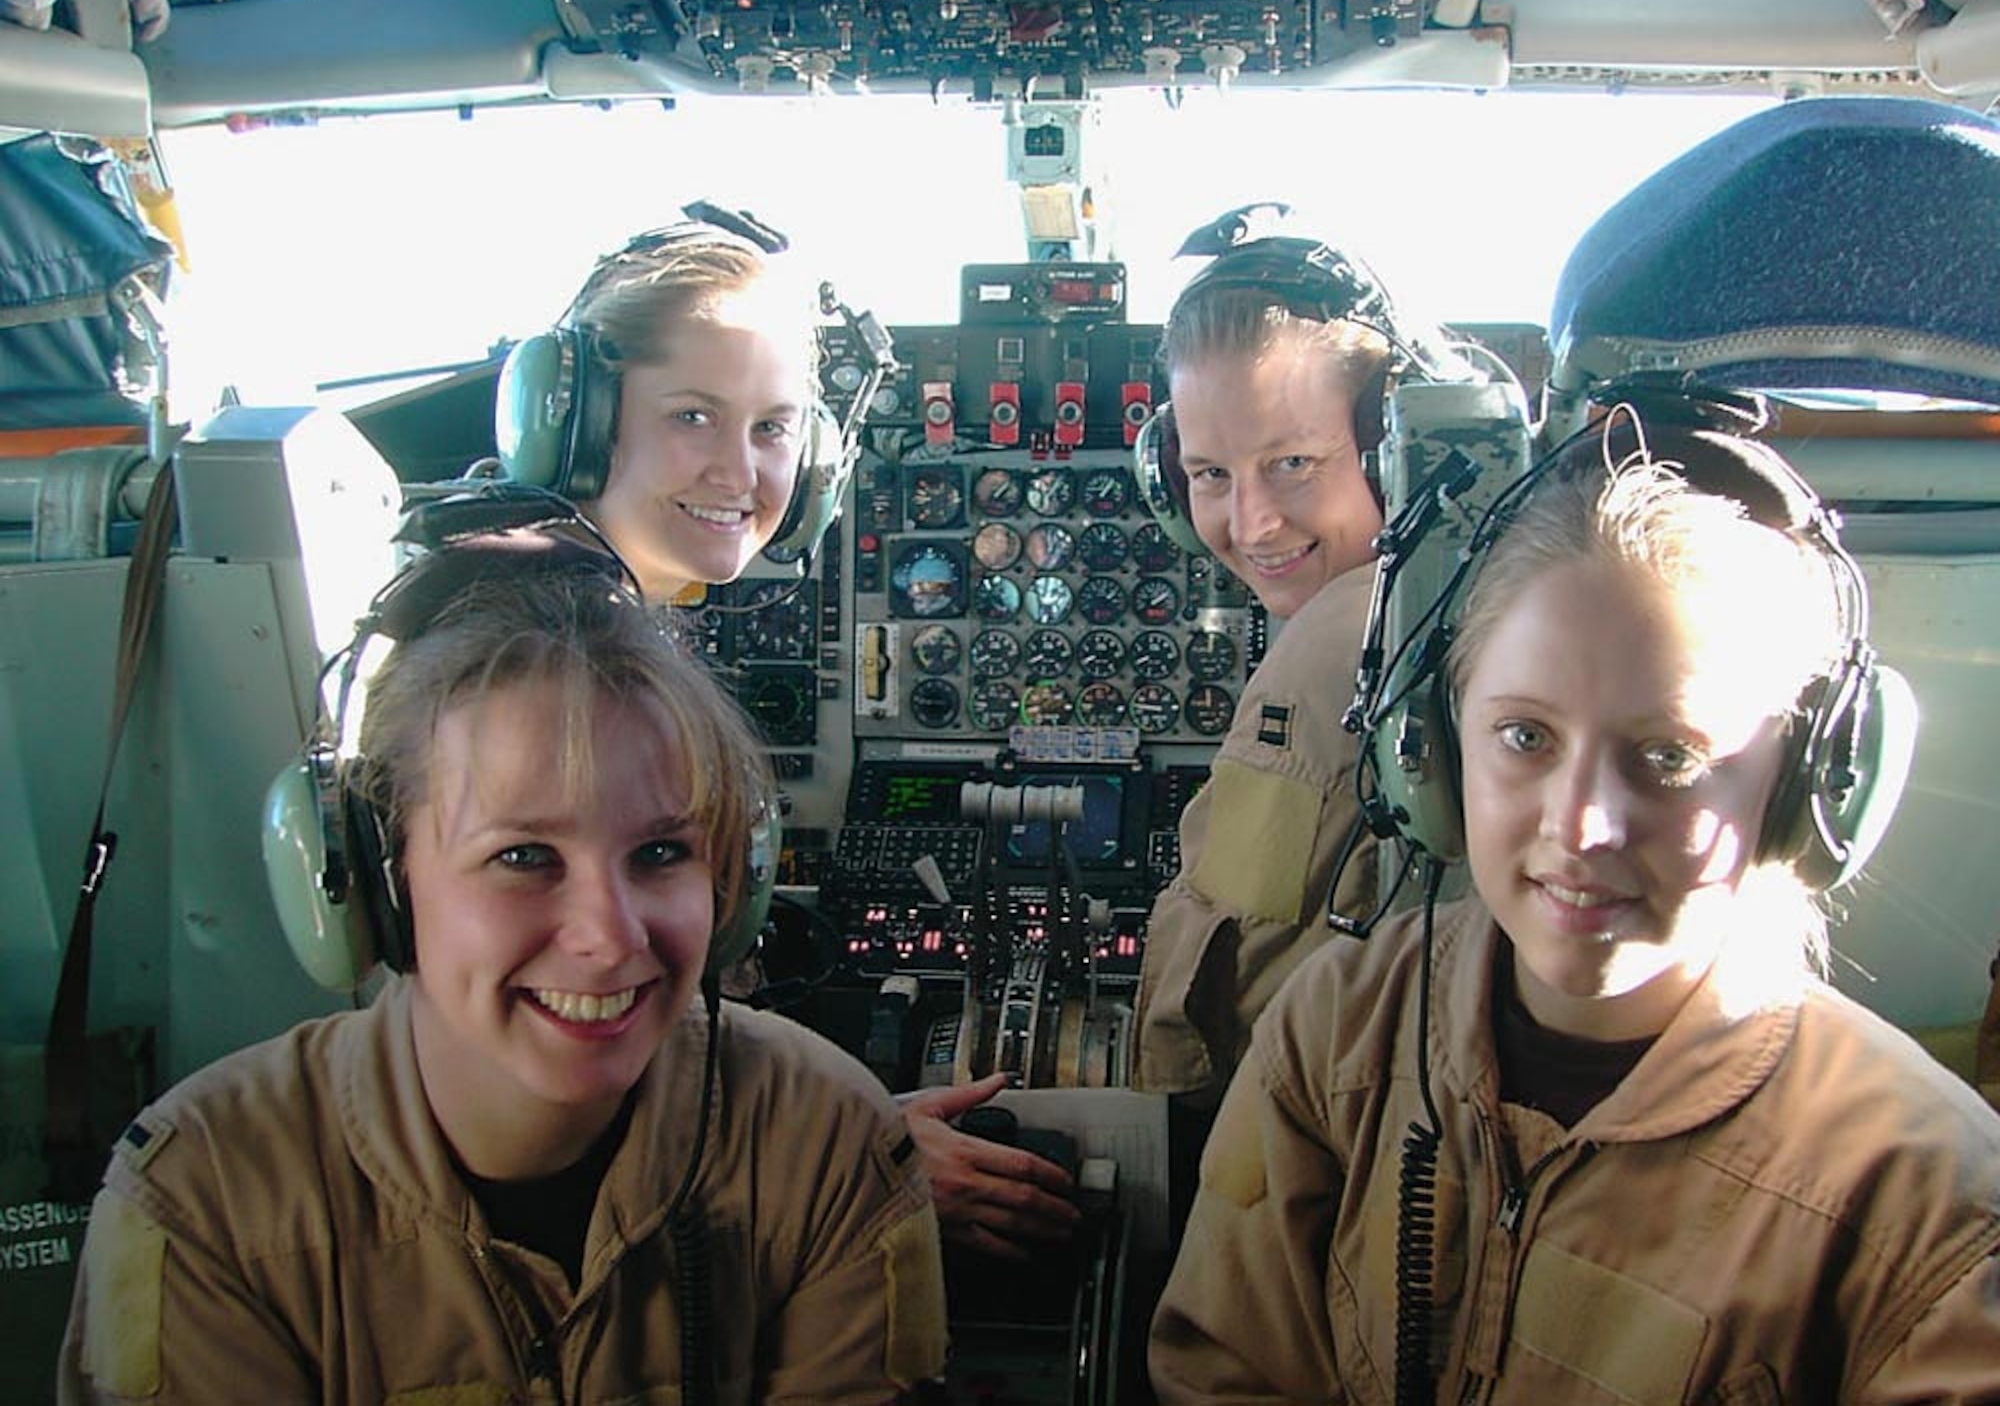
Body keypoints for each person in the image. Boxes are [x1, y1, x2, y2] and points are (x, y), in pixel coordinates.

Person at [1149, 422, 2000, 1400]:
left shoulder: (1928, 1206)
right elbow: (1223, 1372)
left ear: (1799, 794)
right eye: (1523, 735)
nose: (1582, 826)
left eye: (1669, 757)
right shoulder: (1339, 1024)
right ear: (1428, 749)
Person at [58, 534, 950, 1403]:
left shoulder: (826, 1144)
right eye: (525, 857)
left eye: (661, 852)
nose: (610, 935)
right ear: (376, 883)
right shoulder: (206, 1203)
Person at [498, 210, 1082, 1260]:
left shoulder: (559, 598)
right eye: (691, 416)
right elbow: (557, 1070)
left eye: (771, 428)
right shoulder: (548, 665)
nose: (739, 472)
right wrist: (855, 1157)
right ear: (575, 418)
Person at [1131, 204, 1470, 1103]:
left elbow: (1209, 1000)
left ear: (1395, 453)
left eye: (1292, 464)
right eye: (1209, 474)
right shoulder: (1478, 586)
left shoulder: (1342, 640)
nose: (1250, 526)